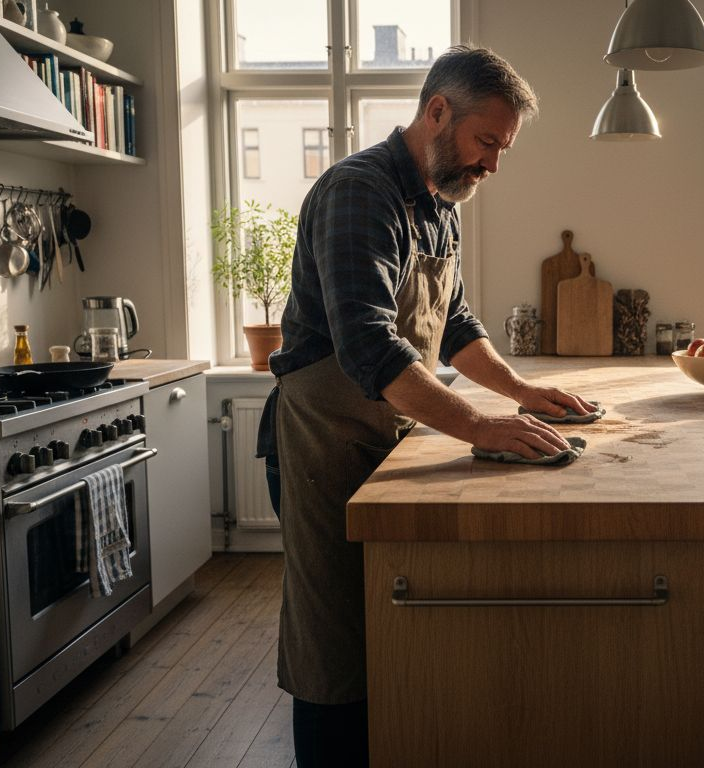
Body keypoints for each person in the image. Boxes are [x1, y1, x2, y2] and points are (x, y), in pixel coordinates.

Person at [258, 46, 594, 767]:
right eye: (487, 143)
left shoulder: (439, 202)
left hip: (390, 436)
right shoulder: (361, 191)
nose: (493, 165)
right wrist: (476, 424)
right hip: (325, 445)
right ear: (437, 111)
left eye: (502, 149)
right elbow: (370, 345)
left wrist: (521, 393)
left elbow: (458, 324)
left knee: (394, 625)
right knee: (334, 645)